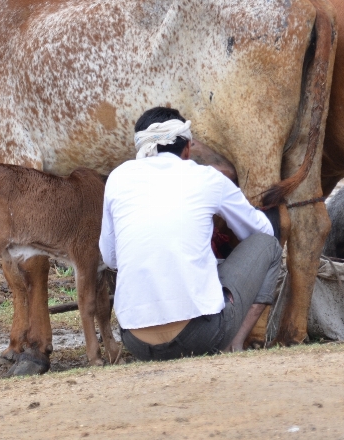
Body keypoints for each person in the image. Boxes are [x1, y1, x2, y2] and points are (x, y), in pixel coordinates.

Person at [99, 106, 282, 360]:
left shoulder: (117, 179)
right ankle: (233, 347)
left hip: (136, 341)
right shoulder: (207, 177)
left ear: (142, 148)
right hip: (201, 337)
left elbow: (110, 258)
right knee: (269, 245)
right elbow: (260, 231)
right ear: (187, 149)